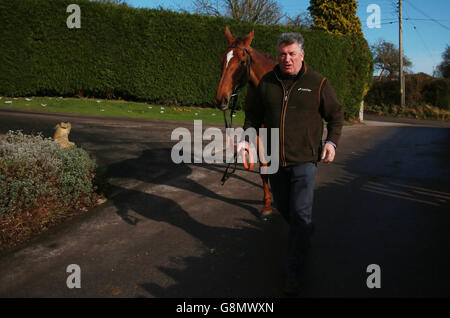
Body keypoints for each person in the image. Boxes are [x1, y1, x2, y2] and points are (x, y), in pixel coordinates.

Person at [240, 32, 344, 295]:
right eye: (283, 54)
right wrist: (245, 140)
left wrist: (331, 142)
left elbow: (336, 115)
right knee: (285, 208)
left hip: (305, 161)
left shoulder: (318, 83)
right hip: (275, 161)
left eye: (292, 54)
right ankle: (304, 230)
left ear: (302, 55)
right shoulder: (267, 82)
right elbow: (252, 115)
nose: (287, 59)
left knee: (299, 214)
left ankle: (293, 271)